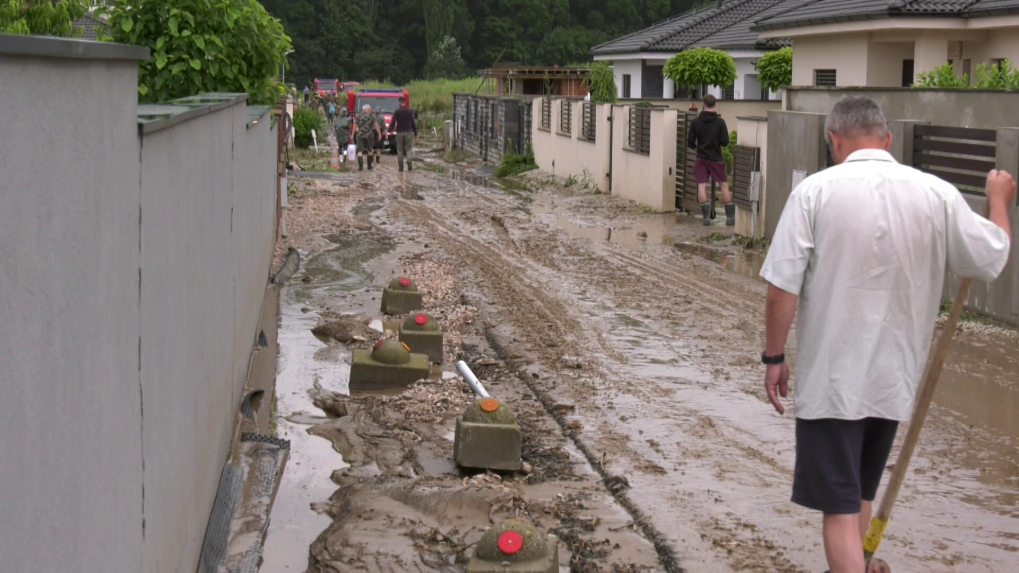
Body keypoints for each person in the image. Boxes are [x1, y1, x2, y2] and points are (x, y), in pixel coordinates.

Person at [759, 97, 1013, 573]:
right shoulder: (935, 193)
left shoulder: (816, 192)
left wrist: (773, 356)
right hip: (894, 377)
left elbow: (781, 288)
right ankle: (864, 560)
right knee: (858, 491)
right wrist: (998, 202)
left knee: (838, 504)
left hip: (833, 382)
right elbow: (990, 257)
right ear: (889, 139)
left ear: (832, 139)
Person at [687, 94, 733, 226]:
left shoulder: (695, 122)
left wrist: (698, 149)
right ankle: (730, 218)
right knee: (724, 184)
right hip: (716, 158)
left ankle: (706, 217)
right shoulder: (720, 122)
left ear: (703, 104)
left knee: (701, 185)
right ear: (715, 105)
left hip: (701, 157)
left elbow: (690, 142)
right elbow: (725, 142)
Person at [390, 95, 418, 172]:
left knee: (400, 150)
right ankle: (409, 161)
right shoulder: (410, 111)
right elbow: (413, 123)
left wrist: (389, 131)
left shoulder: (397, 111)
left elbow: (392, 123)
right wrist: (416, 134)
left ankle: (401, 169)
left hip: (399, 133)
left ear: (399, 102)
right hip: (408, 132)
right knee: (408, 148)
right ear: (405, 102)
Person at [353, 104, 381, 171]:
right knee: (370, 150)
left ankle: (360, 167)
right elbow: (376, 124)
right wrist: (379, 133)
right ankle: (369, 166)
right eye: (370, 109)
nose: (371, 110)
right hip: (369, 136)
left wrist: (352, 135)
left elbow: (355, 125)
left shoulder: (359, 116)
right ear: (368, 109)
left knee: (359, 151)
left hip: (360, 135)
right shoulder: (372, 116)